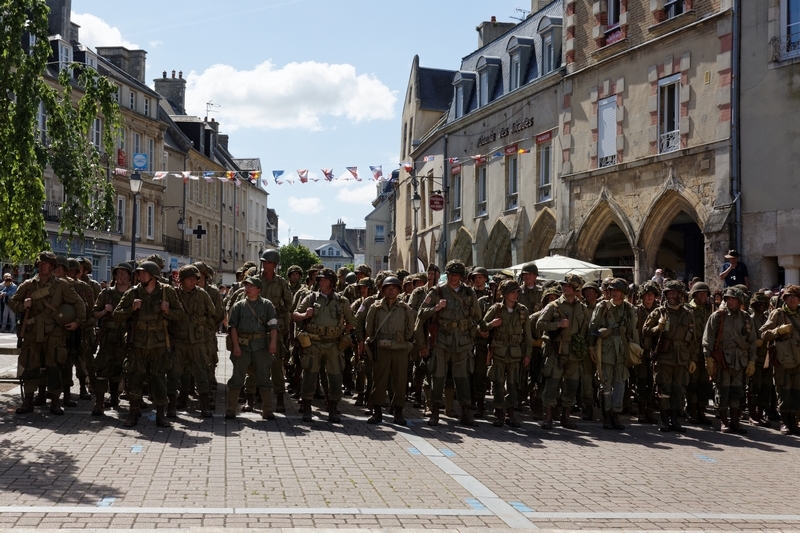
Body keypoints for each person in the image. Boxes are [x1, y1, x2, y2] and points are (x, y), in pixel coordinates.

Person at [9, 251, 86, 415]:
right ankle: (28, 401)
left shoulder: (61, 285)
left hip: (54, 332)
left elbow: (79, 303)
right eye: (40, 263)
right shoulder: (28, 285)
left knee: (54, 367)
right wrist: (23, 304)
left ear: (52, 266)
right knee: (30, 365)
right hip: (32, 332)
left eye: (45, 263)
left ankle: (55, 402)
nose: (42, 265)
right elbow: (12, 302)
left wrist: (77, 322)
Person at [113, 261, 186, 428]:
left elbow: (181, 315)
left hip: (159, 344)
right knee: (135, 378)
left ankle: (161, 415)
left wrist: (168, 310)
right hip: (137, 344)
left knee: (159, 379)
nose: (141, 276)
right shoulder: (133, 292)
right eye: (139, 273)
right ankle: (133, 413)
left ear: (153, 275)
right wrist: (131, 309)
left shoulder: (167, 292)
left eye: (144, 273)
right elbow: (117, 315)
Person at [416, 259, 481, 427]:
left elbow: (477, 317)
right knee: (438, 376)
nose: (453, 278)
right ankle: (435, 411)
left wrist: (470, 334)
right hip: (442, 340)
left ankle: (465, 412)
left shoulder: (469, 293)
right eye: (451, 275)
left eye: (457, 275)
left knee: (462, 378)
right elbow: (421, 313)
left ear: (461, 276)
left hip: (462, 341)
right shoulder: (437, 291)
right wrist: (436, 308)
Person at [293, 268, 356, 423]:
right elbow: (294, 315)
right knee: (309, 376)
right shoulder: (311, 298)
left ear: (332, 283)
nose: (321, 282)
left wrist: (339, 330)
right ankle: (307, 409)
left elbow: (352, 322)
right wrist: (305, 315)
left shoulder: (342, 301)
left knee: (335, 378)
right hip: (313, 343)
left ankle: (333, 409)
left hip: (333, 344)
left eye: (325, 280)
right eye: (320, 279)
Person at [536, 274, 590, 430]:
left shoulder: (582, 308)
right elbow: (540, 324)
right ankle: (548, 417)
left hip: (573, 352)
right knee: (552, 384)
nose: (565, 288)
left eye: (569, 286)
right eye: (564, 285)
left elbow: (585, 329)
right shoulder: (553, 306)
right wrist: (557, 324)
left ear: (576, 289)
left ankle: (566, 416)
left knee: (571, 385)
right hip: (556, 350)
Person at [643, 280, 696, 433]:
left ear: (680, 295)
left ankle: (675, 420)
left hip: (681, 357)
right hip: (664, 356)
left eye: (674, 293)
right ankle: (665, 421)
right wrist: (657, 328)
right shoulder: (659, 312)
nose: (671, 296)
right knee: (664, 390)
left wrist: (692, 359)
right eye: (668, 293)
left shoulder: (688, 314)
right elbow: (645, 331)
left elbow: (693, 339)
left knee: (678, 390)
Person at [702, 287, 757, 434]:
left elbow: (752, 341)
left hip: (740, 360)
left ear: (740, 301)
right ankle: (724, 421)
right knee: (723, 390)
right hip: (723, 360)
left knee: (737, 391)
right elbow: (707, 339)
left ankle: (735, 421)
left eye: (733, 299)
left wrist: (752, 360)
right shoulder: (718, 316)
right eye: (728, 299)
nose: (730, 301)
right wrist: (708, 358)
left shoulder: (746, 318)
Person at [589, 278, 639, 430]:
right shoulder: (602, 306)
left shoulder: (629, 308)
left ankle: (616, 414)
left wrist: (636, 349)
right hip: (606, 348)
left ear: (624, 293)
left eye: (617, 290)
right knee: (605, 383)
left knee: (620, 383)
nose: (614, 293)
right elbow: (593, 327)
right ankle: (606, 415)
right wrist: (591, 345)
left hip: (622, 349)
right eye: (612, 290)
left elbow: (634, 330)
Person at [227, 276, 279, 420]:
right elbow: (232, 327)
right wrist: (236, 346)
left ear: (259, 289)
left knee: (263, 378)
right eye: (246, 286)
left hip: (261, 346)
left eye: (251, 286)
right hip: (242, 346)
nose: (247, 289)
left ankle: (267, 410)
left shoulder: (267, 305)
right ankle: (231, 408)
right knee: (237, 377)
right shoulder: (239, 306)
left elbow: (273, 326)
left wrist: (273, 343)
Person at [364, 276, 415, 425]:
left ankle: (398, 412)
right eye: (387, 287)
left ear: (399, 290)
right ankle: (377, 411)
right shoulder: (376, 307)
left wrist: (401, 340)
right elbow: (370, 328)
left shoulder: (405, 308)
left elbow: (410, 329)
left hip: (400, 348)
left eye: (394, 288)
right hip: (382, 348)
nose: (391, 290)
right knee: (379, 380)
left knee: (400, 381)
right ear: (383, 290)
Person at [481, 280, 532, 427]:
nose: (515, 295)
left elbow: (528, 336)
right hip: (499, 352)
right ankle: (499, 413)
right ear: (505, 294)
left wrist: (527, 354)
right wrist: (492, 324)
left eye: (517, 292)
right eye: (512, 292)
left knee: (513, 384)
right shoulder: (496, 309)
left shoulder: (523, 311)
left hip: (515, 354)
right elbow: (482, 325)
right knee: (498, 383)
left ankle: (511, 414)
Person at [168, 265, 216, 418]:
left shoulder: (202, 295)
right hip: (179, 341)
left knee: (202, 373)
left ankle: (205, 405)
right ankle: (172, 405)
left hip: (197, 341)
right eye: (189, 278)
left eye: (195, 278)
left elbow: (212, 314)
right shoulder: (173, 294)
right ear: (181, 280)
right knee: (174, 373)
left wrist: (205, 332)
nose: (193, 281)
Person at [92, 262, 134, 415]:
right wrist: (104, 311)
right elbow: (94, 313)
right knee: (102, 368)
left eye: (125, 273)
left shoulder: (134, 294)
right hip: (108, 336)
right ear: (114, 276)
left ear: (130, 277)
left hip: (128, 337)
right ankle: (99, 402)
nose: (121, 276)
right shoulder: (107, 294)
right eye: (119, 273)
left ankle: (115, 397)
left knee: (120, 368)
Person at [759, 284, 800, 435]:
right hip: (783, 359)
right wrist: (778, 330)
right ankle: (784, 422)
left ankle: (793, 421)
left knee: (796, 391)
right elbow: (763, 334)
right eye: (789, 297)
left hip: (798, 359)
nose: (793, 299)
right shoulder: (778, 314)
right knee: (783, 391)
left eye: (795, 297)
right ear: (785, 299)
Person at [259, 249, 294, 413]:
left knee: (276, 363)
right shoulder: (256, 280)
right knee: (257, 362)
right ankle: (258, 395)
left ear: (275, 265)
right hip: (257, 326)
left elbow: (289, 303)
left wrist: (279, 314)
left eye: (269, 263)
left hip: (275, 328)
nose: (266, 266)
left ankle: (280, 397)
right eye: (264, 262)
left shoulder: (281, 283)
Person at [686, 282, 714, 425]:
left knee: (705, 382)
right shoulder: (687, 310)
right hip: (692, 350)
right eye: (700, 293)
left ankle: (701, 410)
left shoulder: (711, 310)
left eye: (705, 294)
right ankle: (692, 410)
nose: (703, 296)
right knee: (692, 382)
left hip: (707, 351)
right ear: (694, 295)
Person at [748, 291, 773, 427]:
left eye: (764, 304)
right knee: (754, 386)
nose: (762, 306)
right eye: (759, 304)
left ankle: (762, 412)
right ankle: (753, 414)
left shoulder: (767, 320)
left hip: (767, 358)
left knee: (766, 387)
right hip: (755, 357)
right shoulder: (750, 319)